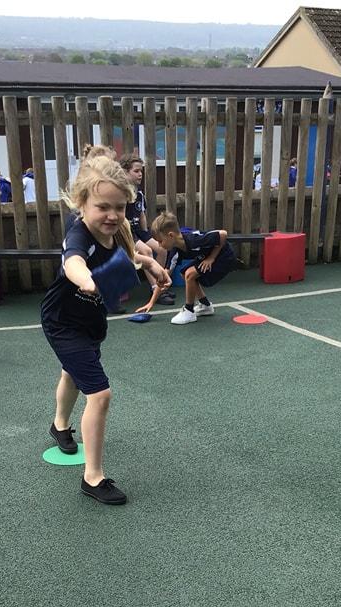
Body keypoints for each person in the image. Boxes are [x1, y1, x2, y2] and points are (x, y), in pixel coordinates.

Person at [41, 158, 170, 505]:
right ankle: (93, 478)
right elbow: (73, 262)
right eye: (102, 207)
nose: (112, 215)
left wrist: (152, 264)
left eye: (119, 207)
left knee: (72, 372)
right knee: (100, 394)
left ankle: (59, 425)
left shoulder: (119, 230)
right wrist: (86, 280)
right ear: (82, 204)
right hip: (63, 322)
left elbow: (130, 256)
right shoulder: (78, 234)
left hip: (90, 320)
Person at [150, 212, 236, 325]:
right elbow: (164, 276)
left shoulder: (193, 240)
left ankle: (189, 311)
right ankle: (205, 305)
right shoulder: (175, 250)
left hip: (224, 257)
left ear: (171, 235)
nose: (159, 245)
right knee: (184, 273)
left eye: (160, 241)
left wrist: (211, 258)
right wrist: (151, 303)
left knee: (190, 274)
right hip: (206, 256)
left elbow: (223, 234)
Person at [119, 152, 175, 306]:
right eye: (136, 171)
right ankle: (155, 288)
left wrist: (148, 235)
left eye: (141, 171)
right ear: (125, 172)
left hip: (138, 230)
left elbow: (142, 215)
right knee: (146, 251)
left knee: (162, 248)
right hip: (126, 232)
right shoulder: (121, 193)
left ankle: (160, 283)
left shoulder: (139, 193)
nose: (140, 174)